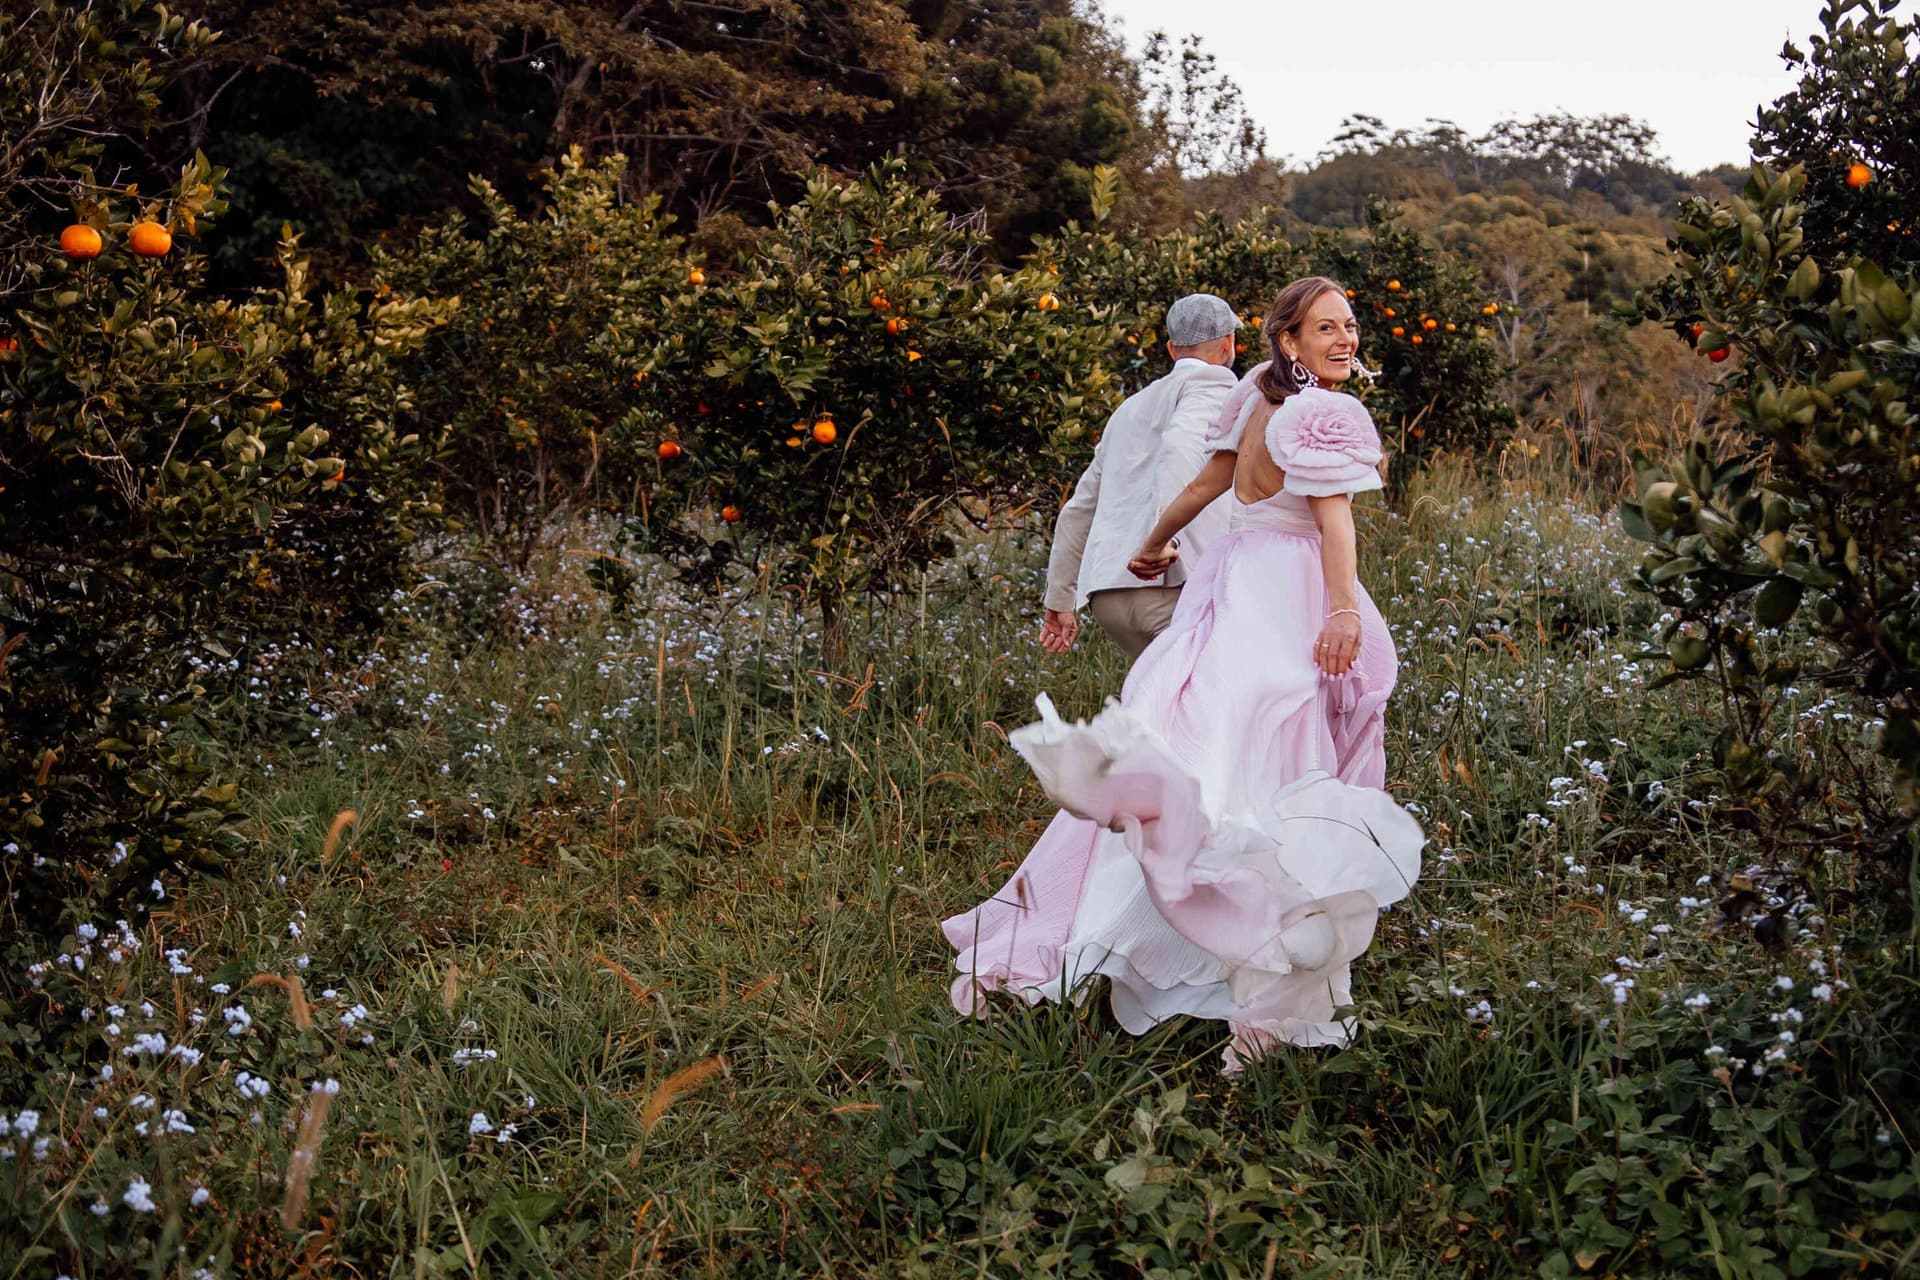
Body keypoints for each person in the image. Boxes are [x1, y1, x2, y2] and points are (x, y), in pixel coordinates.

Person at [942, 276, 1422, 1072]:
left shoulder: (1251, 398)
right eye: (1325, 328)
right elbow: (1334, 525)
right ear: (1287, 339)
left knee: (1210, 741)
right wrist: (1341, 612)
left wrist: (1156, 541)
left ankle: (1171, 921)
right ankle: (1259, 963)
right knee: (1279, 749)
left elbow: (1208, 485)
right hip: (1287, 587)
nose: (1345, 340)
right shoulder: (1325, 413)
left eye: (1351, 326)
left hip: (1231, 581)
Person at [1038, 293, 1240, 662]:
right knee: (1213, 709)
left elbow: (1079, 508)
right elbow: (1179, 449)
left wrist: (1060, 599)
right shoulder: (1215, 384)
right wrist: (1162, 542)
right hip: (1170, 585)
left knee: (1161, 710)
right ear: (1229, 344)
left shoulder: (1129, 408)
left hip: (1110, 597)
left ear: (1170, 348)